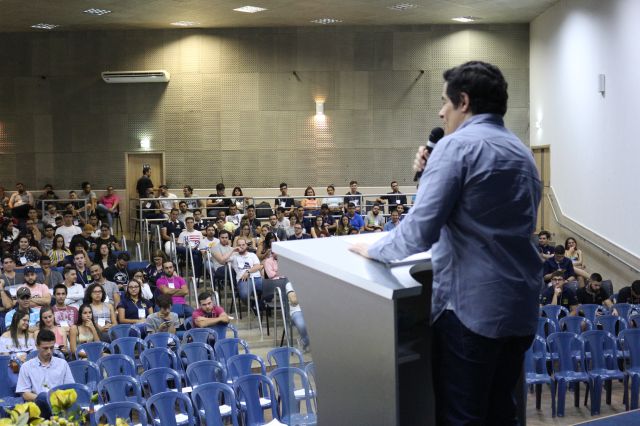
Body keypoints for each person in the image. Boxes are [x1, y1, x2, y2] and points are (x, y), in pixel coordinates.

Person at [350, 61, 542, 425]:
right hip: (519, 308)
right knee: (501, 413)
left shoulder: (455, 147)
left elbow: (419, 232)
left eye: (444, 102)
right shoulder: (523, 152)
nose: (441, 112)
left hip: (471, 311)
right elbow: (483, 217)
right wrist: (430, 175)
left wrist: (372, 249)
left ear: (463, 102)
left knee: (461, 418)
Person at [15, 329, 74, 419]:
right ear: (37, 346)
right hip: (37, 407)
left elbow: (70, 388)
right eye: (45, 348)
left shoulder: (63, 364)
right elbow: (25, 394)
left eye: (52, 347)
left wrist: (55, 399)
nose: (49, 351)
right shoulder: (26, 366)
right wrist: (46, 398)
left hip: (59, 405)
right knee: (43, 396)